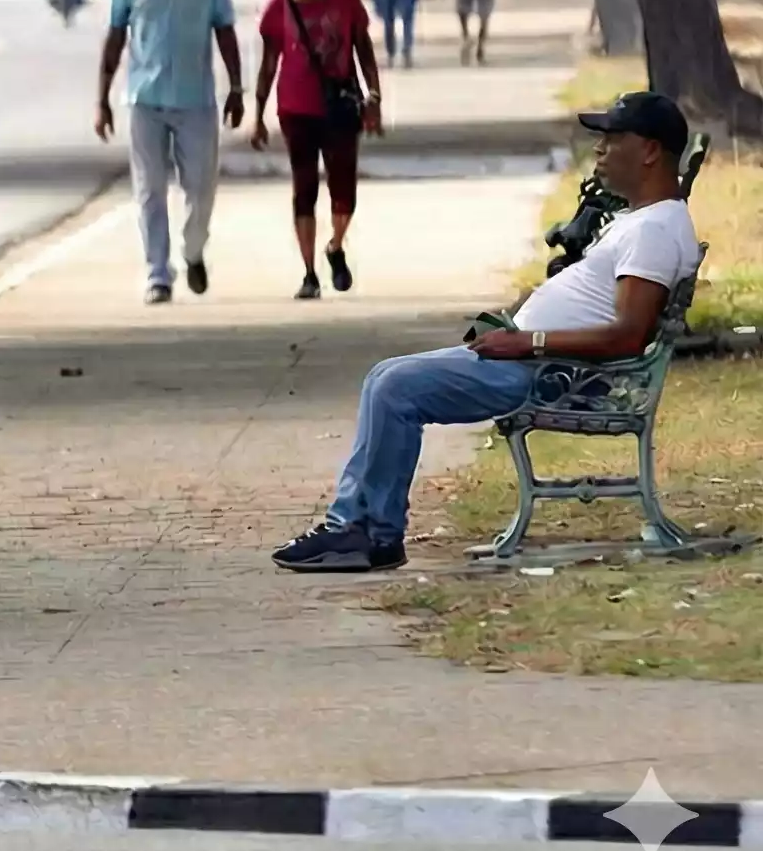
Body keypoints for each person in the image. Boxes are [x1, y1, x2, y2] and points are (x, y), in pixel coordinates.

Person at [274, 92, 699, 572]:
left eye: (613, 139)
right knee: (384, 376)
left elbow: (627, 335)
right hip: (536, 361)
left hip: (550, 374)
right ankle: (357, 528)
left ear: (649, 151)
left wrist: (527, 340)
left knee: (395, 387)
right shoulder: (643, 220)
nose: (599, 150)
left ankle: (366, 532)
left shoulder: (655, 231)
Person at [97, 0, 244, 305]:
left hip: (196, 99)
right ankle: (157, 273)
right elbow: (114, 37)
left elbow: (225, 30)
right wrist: (102, 98)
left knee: (200, 188)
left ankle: (193, 250)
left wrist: (236, 88)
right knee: (149, 189)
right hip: (145, 98)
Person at [250, 0, 385, 301]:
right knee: (303, 189)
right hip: (296, 110)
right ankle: (309, 273)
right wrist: (258, 115)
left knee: (344, 190)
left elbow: (363, 49)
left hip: (340, 106)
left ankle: (335, 245)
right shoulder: (278, 8)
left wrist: (374, 96)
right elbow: (267, 65)